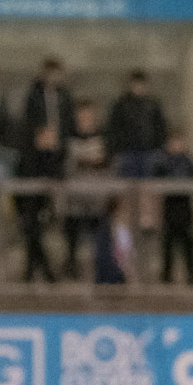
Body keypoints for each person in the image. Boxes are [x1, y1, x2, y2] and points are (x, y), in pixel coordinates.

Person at [62, 99, 108, 280]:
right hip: (74, 199)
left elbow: (105, 165)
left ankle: (100, 272)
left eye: (88, 117)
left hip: (96, 199)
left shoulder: (102, 139)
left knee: (98, 240)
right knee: (72, 240)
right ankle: (72, 271)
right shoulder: (69, 140)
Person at [151, 131, 193, 285]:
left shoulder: (188, 161)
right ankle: (167, 275)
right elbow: (156, 178)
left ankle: (192, 275)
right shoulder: (163, 161)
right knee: (168, 243)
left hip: (185, 209)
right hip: (169, 209)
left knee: (187, 243)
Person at [15, 124, 62, 283]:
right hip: (28, 207)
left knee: (33, 241)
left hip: (42, 207)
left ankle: (31, 274)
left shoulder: (52, 156)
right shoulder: (28, 157)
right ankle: (47, 275)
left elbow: (56, 175)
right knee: (33, 239)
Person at [106, 70, 167, 179]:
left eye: (141, 84)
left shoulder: (153, 105)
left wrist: (159, 146)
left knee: (148, 184)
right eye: (136, 84)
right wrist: (116, 148)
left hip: (149, 150)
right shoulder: (121, 105)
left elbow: (160, 126)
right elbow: (114, 128)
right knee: (127, 184)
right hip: (127, 151)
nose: (138, 87)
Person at [22, 57, 73, 164]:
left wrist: (59, 134)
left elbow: (68, 117)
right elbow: (29, 117)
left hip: (59, 137)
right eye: (50, 74)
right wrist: (40, 132)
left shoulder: (65, 95)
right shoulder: (34, 95)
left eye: (56, 74)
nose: (52, 78)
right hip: (40, 138)